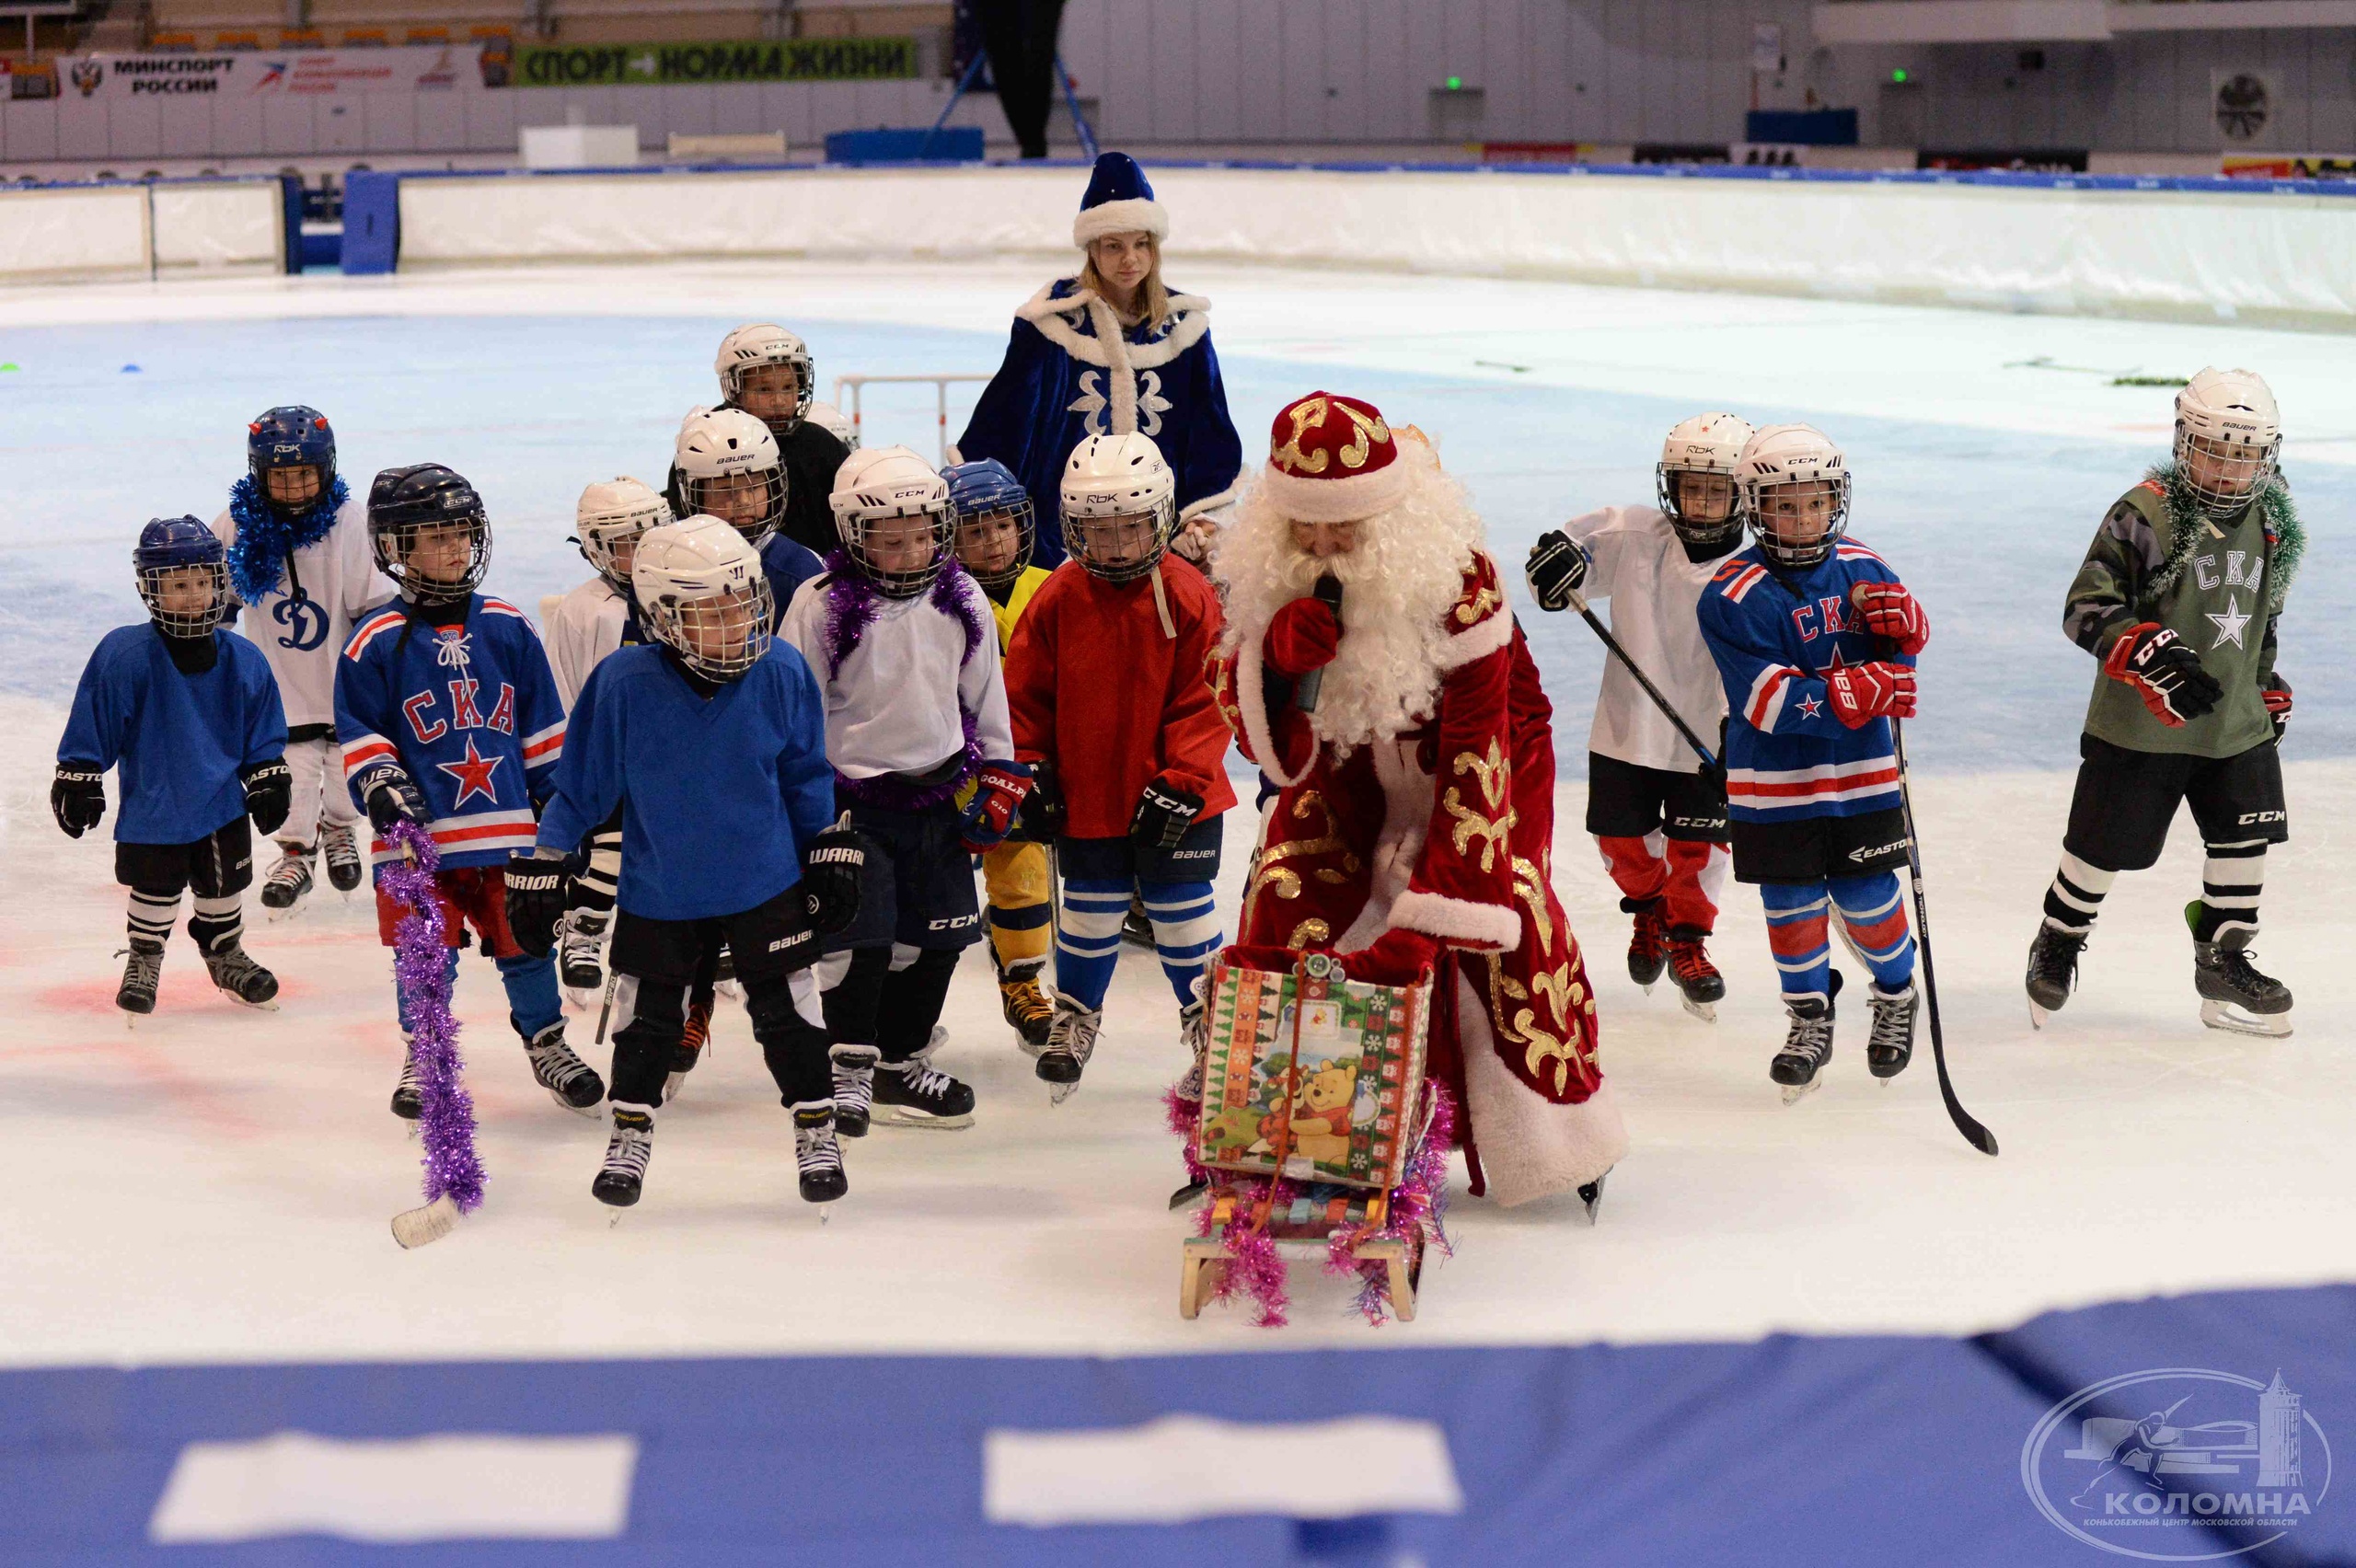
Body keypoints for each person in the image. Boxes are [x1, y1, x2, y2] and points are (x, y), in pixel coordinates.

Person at [1207, 391, 1628, 1210]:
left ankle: (1552, 1139)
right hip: (1349, 779)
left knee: (1510, 931)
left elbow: (1480, 748)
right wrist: (1276, 671)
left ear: (1389, 521)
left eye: (1344, 529)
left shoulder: (1460, 585)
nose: (1324, 547)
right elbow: (1261, 740)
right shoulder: (1272, 577)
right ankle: (1278, 1130)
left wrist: (1429, 919)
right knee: (1290, 895)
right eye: (1306, 528)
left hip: (1481, 767)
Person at [508, 516, 867, 1206]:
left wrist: (824, 846)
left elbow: (804, 775)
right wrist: (550, 860)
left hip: (766, 882)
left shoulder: (782, 669)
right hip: (660, 889)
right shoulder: (622, 683)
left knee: (790, 1013)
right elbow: (581, 788)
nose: (737, 623)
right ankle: (631, 1129)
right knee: (647, 1021)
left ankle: (814, 1125)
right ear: (664, 617)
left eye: (744, 602)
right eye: (713, 611)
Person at [2026, 368, 2303, 1037]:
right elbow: (2086, 607)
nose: (2227, 468)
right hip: (2141, 727)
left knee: (2246, 840)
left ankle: (2223, 961)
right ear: (2184, 441)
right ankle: (2059, 936)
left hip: (2236, 724)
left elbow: (2261, 615)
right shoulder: (2147, 511)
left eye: (2243, 455)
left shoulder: (2273, 516)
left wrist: (2264, 682)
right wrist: (2145, 653)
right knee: (2101, 848)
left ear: (2267, 455)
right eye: (2213, 449)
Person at [334, 464, 605, 1122]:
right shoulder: (374, 643)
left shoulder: (509, 628)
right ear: (396, 549)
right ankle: (425, 1055)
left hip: (507, 834)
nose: (455, 548)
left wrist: (561, 818)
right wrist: (382, 784)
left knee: (527, 946)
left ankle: (546, 1044)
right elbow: (361, 733)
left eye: (462, 532)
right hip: (416, 848)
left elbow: (543, 735)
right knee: (423, 957)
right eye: (435, 536)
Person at [777, 446, 1026, 1131]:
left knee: (943, 936)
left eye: (924, 533)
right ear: (855, 538)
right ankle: (849, 1065)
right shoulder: (820, 604)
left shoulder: (961, 593)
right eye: (892, 540)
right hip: (852, 802)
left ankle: (898, 1061)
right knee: (863, 940)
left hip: (938, 797)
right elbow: (794, 706)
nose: (913, 550)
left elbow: (984, 691)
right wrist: (799, 805)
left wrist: (1000, 773)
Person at [1693, 425, 1925, 1101]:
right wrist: (1860, 688)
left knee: (1867, 896)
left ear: (1838, 499)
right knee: (1791, 903)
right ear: (1754, 506)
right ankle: (1808, 1019)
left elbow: (1897, 670)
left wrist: (1906, 639)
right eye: (1784, 505)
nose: (1803, 518)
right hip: (1773, 786)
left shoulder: (1867, 569)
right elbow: (1764, 701)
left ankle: (1896, 994)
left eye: (1816, 501)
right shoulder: (1731, 593)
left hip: (1864, 777)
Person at [1004, 432, 1232, 1101]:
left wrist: (1185, 780)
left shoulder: (1188, 594)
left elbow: (1207, 694)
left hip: (1178, 796)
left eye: (1129, 529)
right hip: (1092, 790)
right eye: (1096, 532)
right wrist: (1032, 768)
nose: (1114, 547)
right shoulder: (1058, 596)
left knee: (1181, 910)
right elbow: (1027, 694)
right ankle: (1074, 1018)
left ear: (1159, 518)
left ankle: (1216, 1032)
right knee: (1090, 910)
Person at [1523, 414, 1750, 1020]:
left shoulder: (1757, 572)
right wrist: (1551, 570)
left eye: (1716, 489)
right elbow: (1562, 567)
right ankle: (1651, 908)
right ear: (1668, 487)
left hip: (1712, 733)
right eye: (1688, 486)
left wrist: (1748, 728)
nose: (1700, 501)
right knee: (1620, 841)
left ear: (1743, 494)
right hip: (1628, 728)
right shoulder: (1632, 534)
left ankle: (1689, 941)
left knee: (1698, 847)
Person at [957, 151, 1243, 568]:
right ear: (1092, 249)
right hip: (1064, 539)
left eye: (1141, 244)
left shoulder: (1185, 329)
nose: (1130, 259)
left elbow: (1208, 434)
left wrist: (1197, 519)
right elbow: (1005, 423)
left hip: (1162, 532)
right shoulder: (1050, 326)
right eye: (1114, 246)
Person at [55, 517, 289, 1016]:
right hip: (155, 804)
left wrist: (268, 775)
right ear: (151, 589)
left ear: (219, 583)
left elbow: (261, 731)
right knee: (155, 888)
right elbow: (96, 718)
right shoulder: (125, 654)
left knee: (223, 887)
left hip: (222, 804)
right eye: (177, 585)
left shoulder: (244, 659)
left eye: (202, 583)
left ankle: (224, 952)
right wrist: (80, 774)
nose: (192, 595)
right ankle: (144, 956)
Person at [210, 405, 392, 915]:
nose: (292, 488)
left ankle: (338, 829)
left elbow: (376, 612)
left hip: (343, 681)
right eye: (280, 477)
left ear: (326, 468)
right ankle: (295, 850)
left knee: (344, 770)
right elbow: (217, 606)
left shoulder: (351, 523)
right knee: (289, 771)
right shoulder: (235, 526)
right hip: (278, 685)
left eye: (302, 475)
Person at [943, 456, 1058, 1051]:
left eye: (1002, 526)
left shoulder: (1054, 586)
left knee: (1023, 872)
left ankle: (1021, 983)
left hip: (1028, 769)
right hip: (952, 772)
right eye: (973, 531)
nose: (992, 542)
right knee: (926, 893)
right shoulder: (940, 600)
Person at [542, 477, 671, 1003]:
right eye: (624, 543)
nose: (638, 554)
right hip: (611, 762)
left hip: (679, 759)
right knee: (610, 850)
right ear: (595, 547)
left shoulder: (684, 591)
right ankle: (587, 926)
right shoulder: (582, 610)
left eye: (648, 537)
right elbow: (563, 691)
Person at [712, 324, 853, 560]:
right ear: (736, 391)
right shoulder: (708, 445)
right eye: (764, 389)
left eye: (789, 387)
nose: (779, 401)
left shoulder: (822, 447)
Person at [669, 406, 826, 618]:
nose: (743, 501)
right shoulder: (670, 566)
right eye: (725, 490)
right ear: (694, 495)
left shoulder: (801, 569)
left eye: (754, 488)